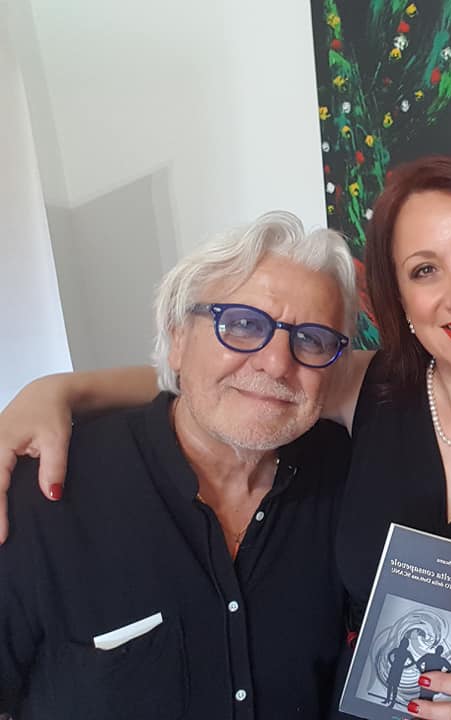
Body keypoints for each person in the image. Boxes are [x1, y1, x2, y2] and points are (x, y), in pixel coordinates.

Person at [0, 157, 451, 720]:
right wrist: (60, 390)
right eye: (425, 269)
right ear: (402, 300)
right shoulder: (369, 389)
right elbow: (238, 386)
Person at [0, 211, 356, 718]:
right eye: (242, 325)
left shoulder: (344, 478)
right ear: (178, 338)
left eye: (311, 339)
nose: (277, 362)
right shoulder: (42, 494)